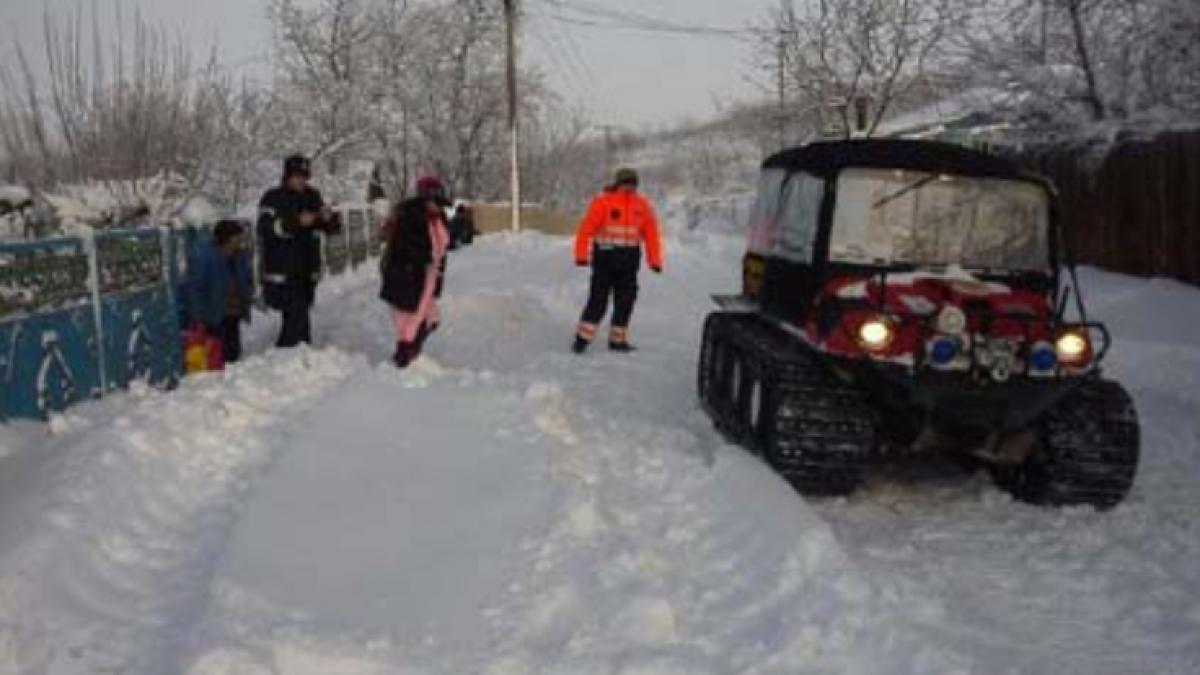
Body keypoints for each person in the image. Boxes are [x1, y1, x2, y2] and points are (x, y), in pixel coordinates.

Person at [572, 168, 663, 354]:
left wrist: (655, 260)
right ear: (618, 184)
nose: (629, 187)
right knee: (598, 300)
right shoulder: (602, 202)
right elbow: (586, 229)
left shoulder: (642, 206)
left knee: (626, 301)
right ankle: (582, 339)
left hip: (629, 262)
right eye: (625, 183)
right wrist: (581, 255)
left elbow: (651, 235)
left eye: (632, 184)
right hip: (605, 259)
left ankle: (617, 340)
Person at [257, 155, 341, 348]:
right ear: (287, 176)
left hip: (306, 269)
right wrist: (294, 223)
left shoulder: (312, 196)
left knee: (299, 317)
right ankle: (287, 356)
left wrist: (330, 219)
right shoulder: (273, 197)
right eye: (297, 176)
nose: (301, 181)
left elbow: (329, 227)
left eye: (305, 177)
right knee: (297, 316)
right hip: (282, 270)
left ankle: (297, 358)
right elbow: (264, 227)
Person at [379, 176, 451, 369]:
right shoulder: (409, 216)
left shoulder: (438, 218)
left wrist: (437, 278)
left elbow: (442, 251)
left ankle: (410, 354)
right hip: (407, 277)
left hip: (428, 276)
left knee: (430, 319)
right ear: (425, 199)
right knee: (411, 321)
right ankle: (404, 361)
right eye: (436, 203)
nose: (439, 208)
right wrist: (426, 260)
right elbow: (407, 249)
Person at [186, 219, 253, 364]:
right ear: (228, 238)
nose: (241, 239)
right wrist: (198, 315)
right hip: (215, 312)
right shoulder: (207, 256)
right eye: (237, 236)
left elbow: (246, 278)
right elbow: (196, 287)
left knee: (233, 350)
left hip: (234, 310)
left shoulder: (241, 255)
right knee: (217, 352)